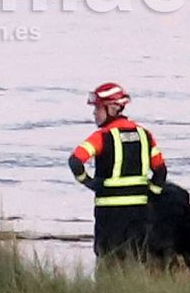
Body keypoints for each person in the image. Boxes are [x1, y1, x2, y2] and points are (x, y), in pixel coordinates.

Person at [69, 82, 172, 265]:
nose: (94, 113)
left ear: (112, 108)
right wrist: (151, 195)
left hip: (109, 216)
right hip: (138, 214)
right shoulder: (144, 135)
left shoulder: (102, 136)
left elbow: (75, 161)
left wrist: (90, 182)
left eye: (98, 109)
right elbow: (160, 171)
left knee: (108, 262)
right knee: (135, 261)